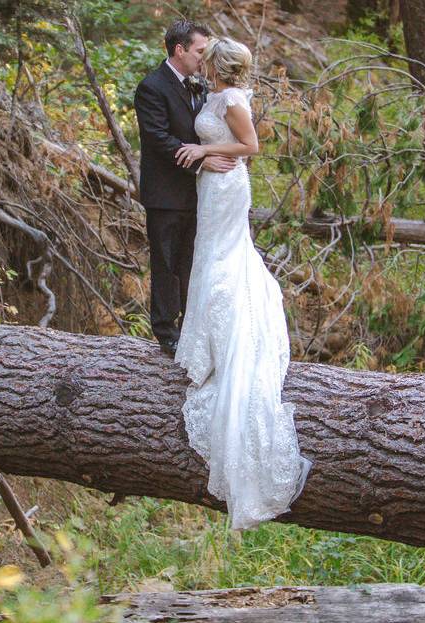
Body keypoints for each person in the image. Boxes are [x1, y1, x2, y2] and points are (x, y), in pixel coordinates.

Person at [173, 37, 312, 530]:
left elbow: (250, 147)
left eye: (208, 57)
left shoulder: (232, 100)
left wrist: (204, 148)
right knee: (209, 257)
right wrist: (202, 154)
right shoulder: (213, 94)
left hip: (228, 183)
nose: (202, 60)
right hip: (211, 182)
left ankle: (222, 339)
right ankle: (204, 338)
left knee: (222, 259)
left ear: (220, 64)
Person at [134, 20, 237, 357]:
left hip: (200, 193)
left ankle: (191, 328)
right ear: (180, 50)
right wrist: (201, 161)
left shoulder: (201, 87)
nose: (203, 58)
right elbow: (159, 138)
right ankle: (166, 332)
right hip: (165, 194)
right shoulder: (152, 87)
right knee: (165, 262)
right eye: (199, 51)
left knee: (192, 262)